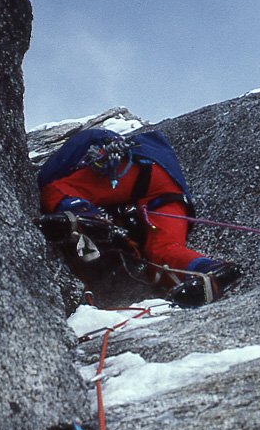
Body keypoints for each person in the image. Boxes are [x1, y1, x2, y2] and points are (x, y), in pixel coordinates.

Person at [37, 127, 241, 306]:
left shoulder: (83, 146)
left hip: (130, 171)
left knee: (55, 189)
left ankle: (86, 217)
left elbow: (46, 178)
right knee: (162, 250)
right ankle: (212, 272)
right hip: (168, 188)